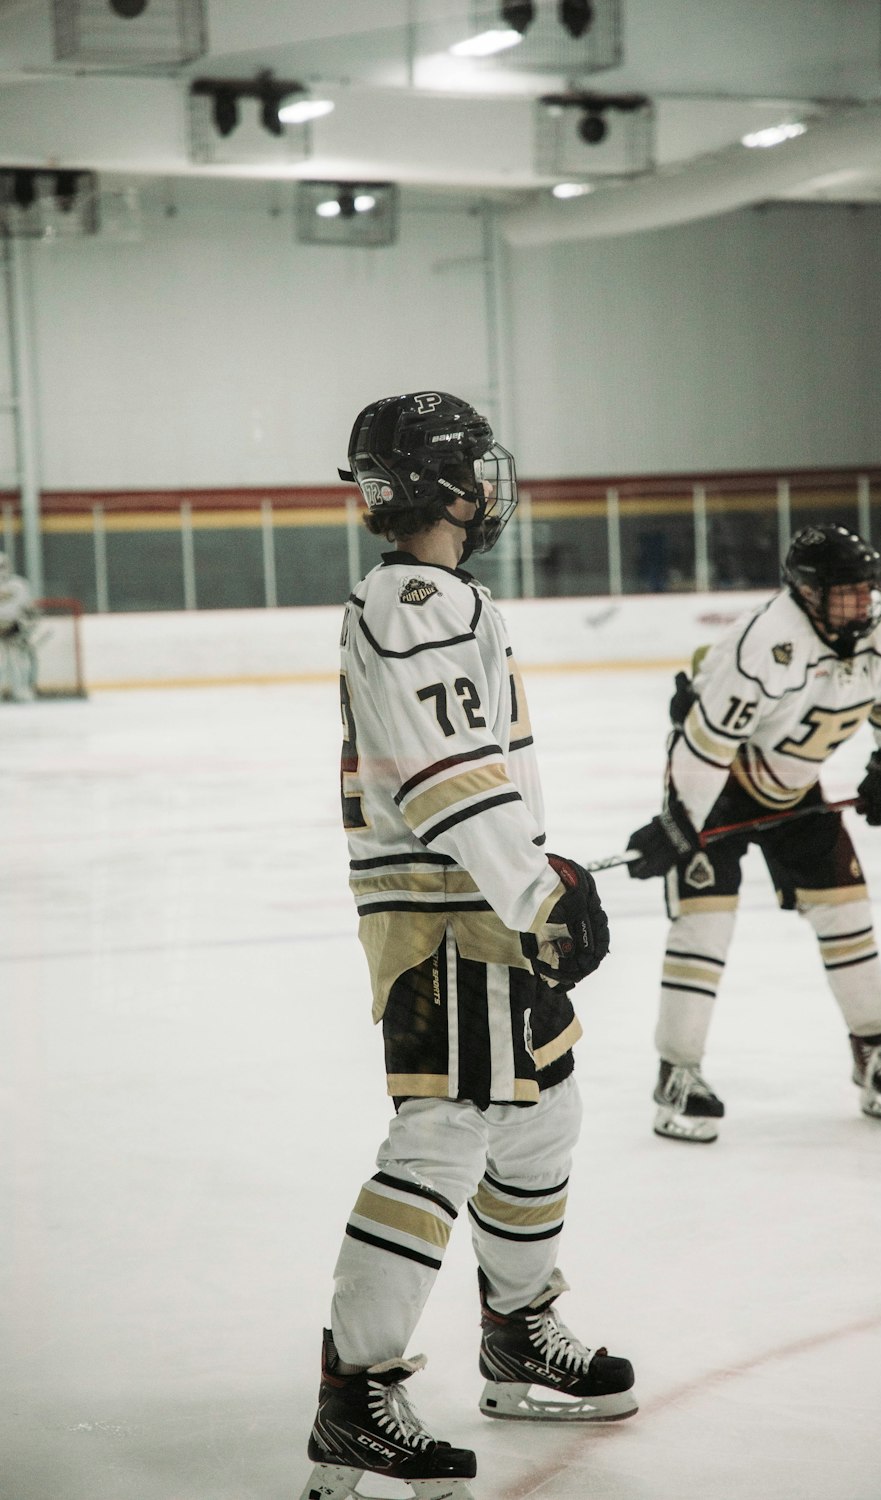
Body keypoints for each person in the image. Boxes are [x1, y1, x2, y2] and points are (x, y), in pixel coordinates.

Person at [299, 393, 634, 1500]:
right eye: (471, 468)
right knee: (444, 1136)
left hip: (478, 902)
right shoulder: (413, 598)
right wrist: (539, 893)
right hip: (454, 915)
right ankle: (356, 1396)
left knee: (544, 1114)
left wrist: (537, 883)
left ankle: (518, 1331)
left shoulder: (431, 596)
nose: (488, 484)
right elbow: (449, 780)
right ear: (439, 484)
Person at [624, 524, 881, 1144]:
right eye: (846, 592)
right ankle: (676, 1072)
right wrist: (680, 821)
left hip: (796, 786)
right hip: (721, 782)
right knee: (704, 921)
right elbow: (707, 745)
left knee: (849, 914)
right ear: (806, 593)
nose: (862, 603)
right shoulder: (767, 643)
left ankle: (873, 1053)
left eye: (867, 590)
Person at [0, 551, 37, 703]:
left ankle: (21, 690)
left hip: (15, 629)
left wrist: (26, 627)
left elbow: (28, 609)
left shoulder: (19, 585)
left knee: (18, 661)